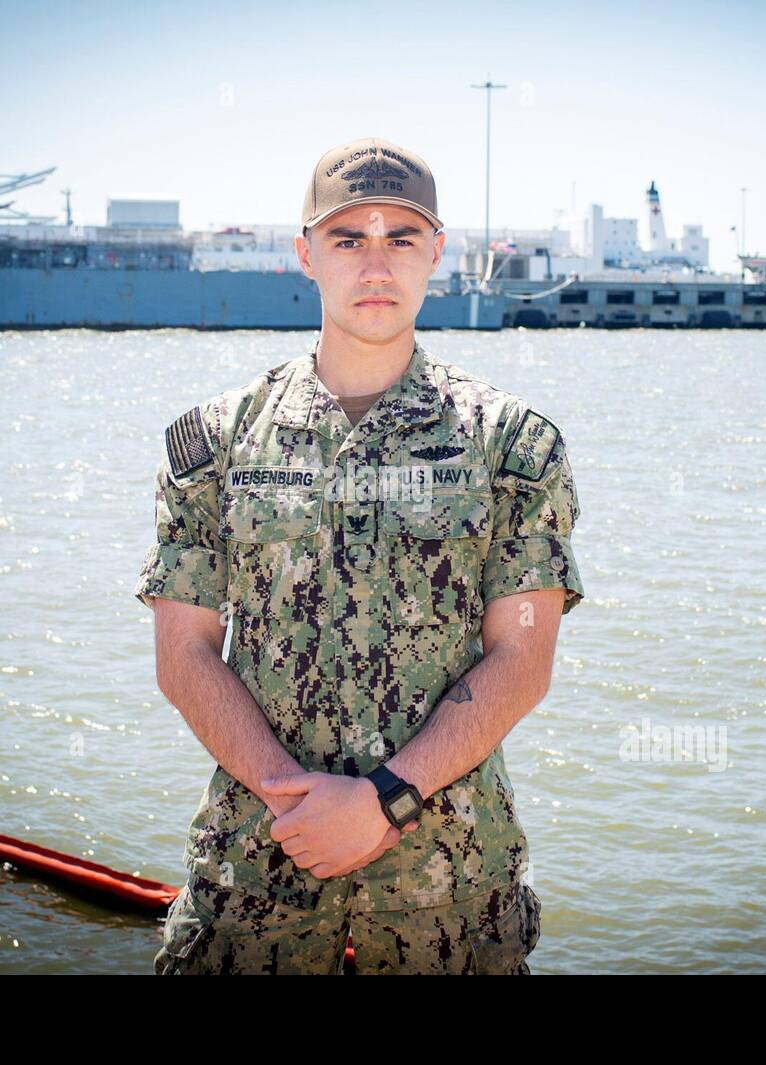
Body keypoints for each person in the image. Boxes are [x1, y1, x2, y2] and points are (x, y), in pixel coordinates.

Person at [136, 136, 583, 974]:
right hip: (258, 877)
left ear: (437, 254)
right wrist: (299, 804)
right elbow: (184, 653)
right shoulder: (216, 442)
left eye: (400, 237)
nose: (375, 263)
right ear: (306, 254)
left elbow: (523, 655)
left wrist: (382, 801)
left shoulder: (510, 444)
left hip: (448, 895)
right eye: (348, 239)